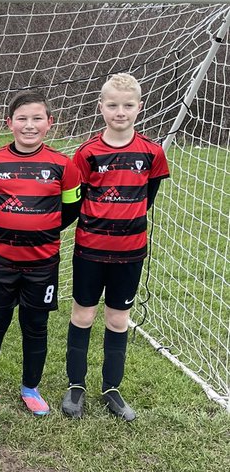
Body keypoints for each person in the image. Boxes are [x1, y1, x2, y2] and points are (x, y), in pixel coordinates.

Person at [62, 73, 170, 422]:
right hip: (90, 249)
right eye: (112, 105)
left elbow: (146, 199)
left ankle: (112, 389)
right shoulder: (87, 153)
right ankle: (75, 386)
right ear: (101, 107)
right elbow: (76, 202)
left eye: (127, 105)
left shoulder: (152, 153)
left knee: (118, 319)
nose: (119, 112)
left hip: (130, 252)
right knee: (83, 315)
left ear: (139, 107)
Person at [0, 92, 81, 416]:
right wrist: (10, 229)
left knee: (35, 325)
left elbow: (71, 209)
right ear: (9, 123)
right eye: (22, 118)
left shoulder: (65, 165)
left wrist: (40, 230)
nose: (29, 125)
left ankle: (30, 388)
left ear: (50, 123)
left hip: (42, 263)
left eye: (37, 118)